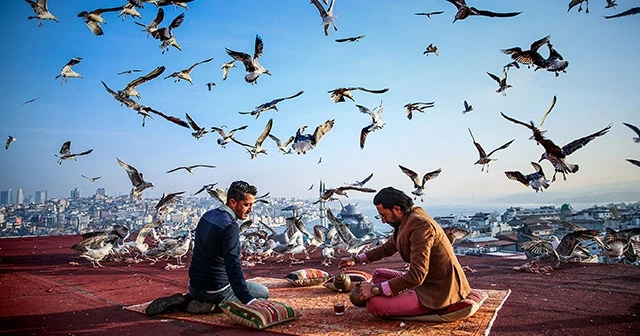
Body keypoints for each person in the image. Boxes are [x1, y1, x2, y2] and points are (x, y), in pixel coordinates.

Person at [338, 186, 471, 317]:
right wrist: (355, 260)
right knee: (378, 274)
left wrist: (374, 290)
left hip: (438, 289)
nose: (383, 221)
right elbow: (387, 248)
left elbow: (416, 276)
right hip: (424, 280)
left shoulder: (420, 226)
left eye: (384, 215)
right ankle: (403, 294)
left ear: (397, 209)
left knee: (374, 305)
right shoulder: (406, 220)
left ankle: (423, 302)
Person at [146, 180, 269, 315]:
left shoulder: (207, 216)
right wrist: (248, 300)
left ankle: (188, 298)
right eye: (246, 205)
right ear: (233, 202)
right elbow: (232, 263)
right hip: (216, 288)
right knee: (263, 293)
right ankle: (215, 305)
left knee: (237, 286)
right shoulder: (230, 226)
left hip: (194, 285)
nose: (250, 210)